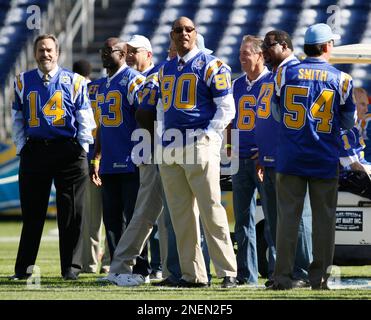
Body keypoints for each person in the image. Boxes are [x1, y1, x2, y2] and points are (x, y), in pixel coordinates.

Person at [271, 23, 356, 290]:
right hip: (323, 156)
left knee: (287, 220)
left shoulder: (285, 74)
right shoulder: (342, 79)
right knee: (324, 222)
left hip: (291, 156)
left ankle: (282, 277)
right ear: (327, 46)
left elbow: (276, 113)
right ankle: (320, 279)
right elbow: (348, 122)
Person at [156, 16, 237, 288]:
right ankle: (193, 275)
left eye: (188, 29)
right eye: (178, 30)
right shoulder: (165, 68)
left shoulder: (212, 65)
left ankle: (227, 273)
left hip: (197, 142)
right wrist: (159, 140)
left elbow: (227, 107)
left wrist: (209, 135)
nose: (183, 34)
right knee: (181, 215)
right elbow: (162, 108)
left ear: (196, 32)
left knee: (211, 209)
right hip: (170, 146)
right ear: (171, 35)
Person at [10, 34, 95, 280]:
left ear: (57, 53)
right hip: (35, 150)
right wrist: (21, 147)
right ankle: (24, 270)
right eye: (40, 50)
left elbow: (84, 119)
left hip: (68, 150)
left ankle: (71, 269)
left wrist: (82, 150)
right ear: (34, 53)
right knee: (32, 214)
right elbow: (17, 118)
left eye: (49, 50)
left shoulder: (75, 81)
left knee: (71, 213)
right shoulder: (22, 81)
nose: (45, 54)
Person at [256, 30, 313, 287]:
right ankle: (282, 273)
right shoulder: (276, 75)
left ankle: (300, 271)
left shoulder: (296, 72)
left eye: (269, 46)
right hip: (270, 158)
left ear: (285, 46)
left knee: (297, 218)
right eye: (263, 47)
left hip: (290, 158)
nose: (265, 52)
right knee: (275, 221)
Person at [90, 38, 146, 270]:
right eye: (102, 50)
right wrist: (97, 156)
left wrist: (142, 152)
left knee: (135, 218)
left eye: (108, 50)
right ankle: (117, 267)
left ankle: (141, 267)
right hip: (109, 161)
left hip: (131, 160)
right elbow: (103, 125)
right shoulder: (102, 84)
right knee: (112, 220)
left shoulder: (134, 81)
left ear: (123, 54)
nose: (103, 54)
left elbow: (146, 118)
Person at [228, 35, 273, 285]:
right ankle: (247, 275)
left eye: (246, 53)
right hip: (240, 158)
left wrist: (267, 149)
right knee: (243, 221)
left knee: (271, 219)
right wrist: (229, 146)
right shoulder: (236, 85)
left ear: (260, 55)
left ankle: (277, 272)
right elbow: (230, 121)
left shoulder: (273, 82)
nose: (241, 57)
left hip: (263, 160)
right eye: (240, 53)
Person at [72, 59, 111, 274]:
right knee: (112, 217)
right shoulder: (104, 87)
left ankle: (89, 263)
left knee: (92, 217)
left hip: (91, 156)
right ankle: (108, 262)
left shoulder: (87, 89)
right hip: (108, 155)